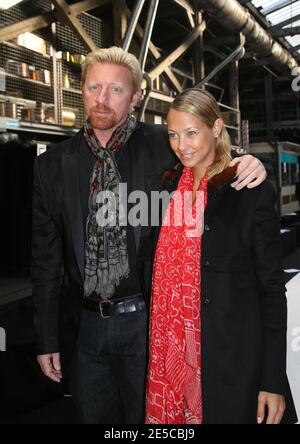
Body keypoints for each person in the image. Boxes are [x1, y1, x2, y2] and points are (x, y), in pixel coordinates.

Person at [31, 47, 267, 424]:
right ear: (82, 89)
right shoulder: (51, 166)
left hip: (147, 321)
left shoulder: (165, 145)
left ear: (136, 96)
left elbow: (213, 153)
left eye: (116, 90)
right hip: (85, 327)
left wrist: (250, 159)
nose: (102, 99)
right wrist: (46, 338)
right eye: (94, 87)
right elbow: (45, 260)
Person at [145, 88, 298, 425]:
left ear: (215, 128)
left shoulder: (249, 190)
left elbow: (272, 290)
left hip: (233, 365)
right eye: (173, 134)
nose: (181, 145)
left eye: (191, 132)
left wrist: (272, 381)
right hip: (171, 362)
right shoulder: (168, 189)